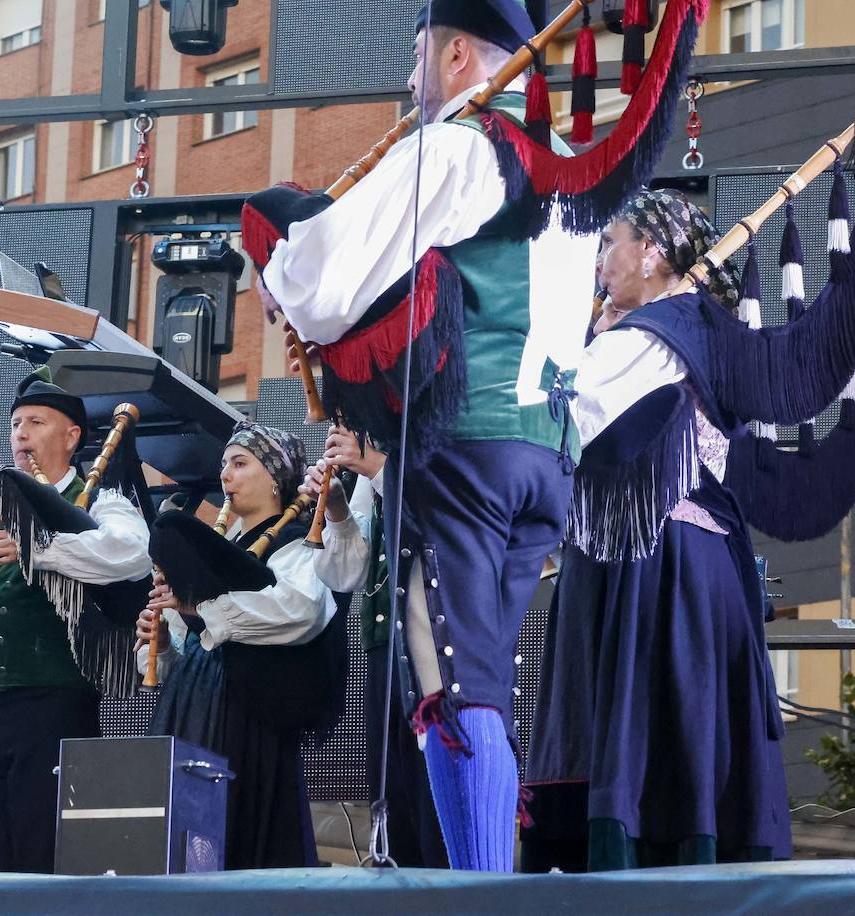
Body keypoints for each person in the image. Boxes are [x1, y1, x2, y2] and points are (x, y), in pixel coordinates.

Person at [247, 0, 598, 871]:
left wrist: (277, 256)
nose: (410, 84)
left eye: (417, 62)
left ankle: (481, 889)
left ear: (452, 59)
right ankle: (479, 874)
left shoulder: (459, 144)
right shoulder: (564, 166)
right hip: (544, 455)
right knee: (476, 675)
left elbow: (327, 276)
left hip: (464, 449)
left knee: (451, 676)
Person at [523, 188, 793, 869]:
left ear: (652, 252)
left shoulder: (666, 334)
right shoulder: (652, 333)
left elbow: (564, 415)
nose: (600, 261)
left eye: (610, 243)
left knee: (646, 760)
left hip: (659, 569)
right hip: (634, 566)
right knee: (625, 744)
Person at [0, 369, 152, 874]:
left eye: (35, 422)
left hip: (54, 703)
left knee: (42, 856)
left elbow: (131, 554)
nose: (21, 434)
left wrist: (39, 548)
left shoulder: (100, 501)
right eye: (15, 424)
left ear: (72, 437)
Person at [137, 422, 338, 869]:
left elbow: (299, 610)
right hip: (194, 705)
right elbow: (190, 646)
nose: (226, 475)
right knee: (185, 839)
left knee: (239, 835)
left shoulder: (297, 540)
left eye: (240, 463)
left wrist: (202, 606)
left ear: (274, 477)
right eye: (224, 464)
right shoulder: (224, 545)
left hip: (248, 714)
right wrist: (165, 640)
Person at [304, 425, 447, 868]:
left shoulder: (436, 441)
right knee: (394, 798)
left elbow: (446, 519)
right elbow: (349, 574)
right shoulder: (368, 474)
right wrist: (337, 512)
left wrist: (380, 467)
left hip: (441, 656)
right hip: (385, 655)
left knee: (435, 802)